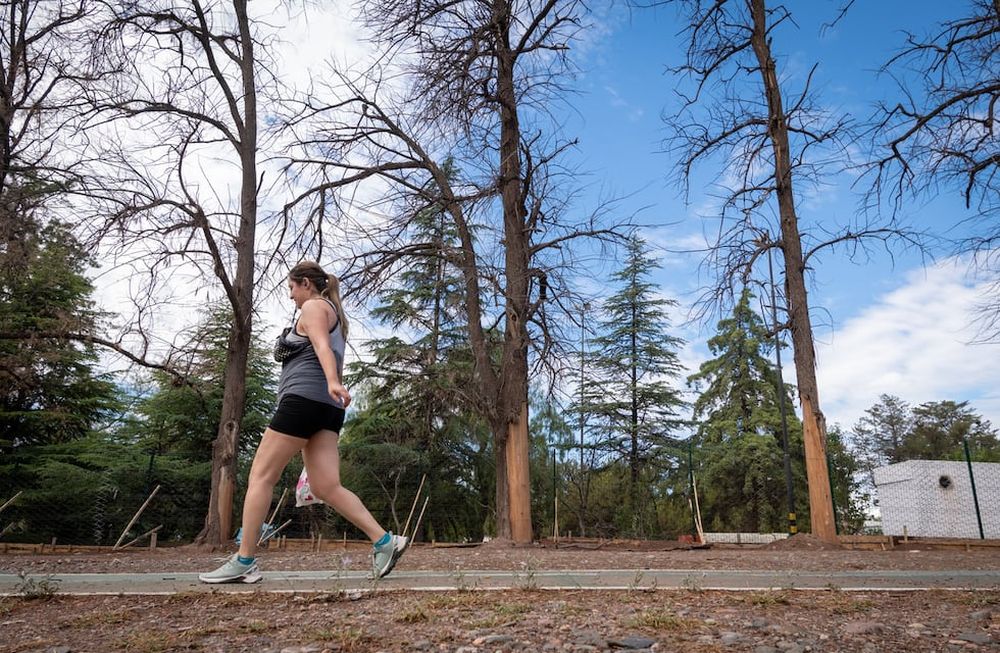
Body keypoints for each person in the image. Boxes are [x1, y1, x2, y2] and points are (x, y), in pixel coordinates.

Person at [199, 261, 408, 584]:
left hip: (304, 401)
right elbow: (324, 347)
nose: (292, 297)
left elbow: (322, 347)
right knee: (326, 486)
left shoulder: (313, 306)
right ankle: (385, 541)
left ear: (306, 284)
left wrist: (332, 381)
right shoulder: (333, 313)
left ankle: (244, 560)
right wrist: (332, 386)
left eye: (292, 289)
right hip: (328, 409)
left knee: (261, 476)